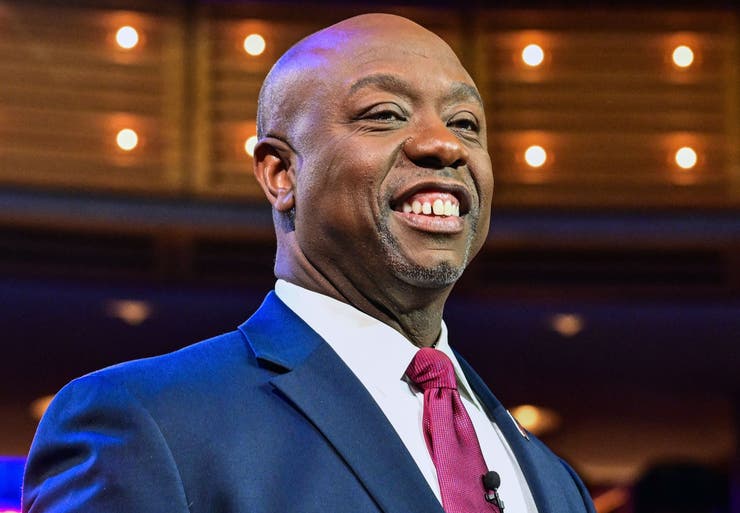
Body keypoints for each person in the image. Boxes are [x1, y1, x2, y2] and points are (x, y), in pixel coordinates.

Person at [22, 13, 596, 513]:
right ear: (281, 173)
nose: (444, 145)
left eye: (466, 124)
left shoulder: (555, 481)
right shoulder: (144, 426)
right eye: (386, 114)